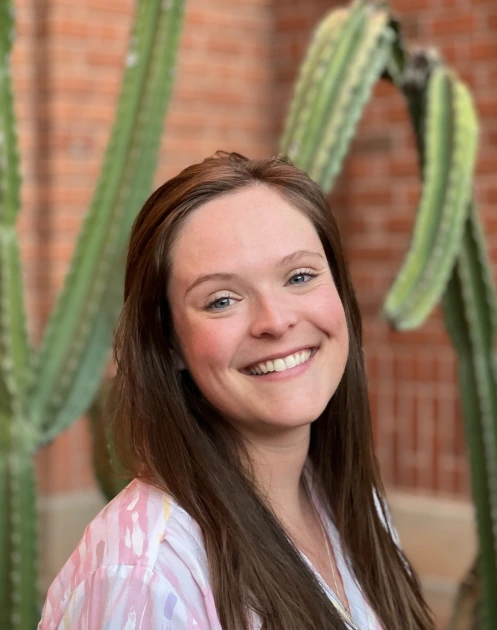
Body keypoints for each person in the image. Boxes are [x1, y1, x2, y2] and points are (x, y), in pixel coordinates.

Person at [39, 152, 434, 629]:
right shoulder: (145, 578)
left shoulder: (349, 502)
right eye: (222, 300)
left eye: (300, 276)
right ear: (169, 344)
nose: (276, 320)